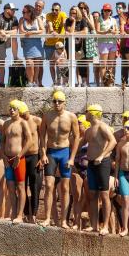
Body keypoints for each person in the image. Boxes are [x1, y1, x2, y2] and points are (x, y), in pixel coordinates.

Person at [39, 90, 80, 229]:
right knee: (49, 186)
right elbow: (42, 137)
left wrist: (72, 158)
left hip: (64, 152)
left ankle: (63, 220)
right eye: (54, 101)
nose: (56, 104)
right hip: (50, 152)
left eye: (59, 101)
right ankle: (47, 218)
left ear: (64, 102)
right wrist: (43, 154)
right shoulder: (47, 116)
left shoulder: (71, 117)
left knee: (64, 188)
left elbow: (76, 138)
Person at [83, 104, 117, 234]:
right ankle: (94, 225)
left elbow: (113, 141)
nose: (85, 114)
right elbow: (80, 142)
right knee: (93, 195)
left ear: (92, 113)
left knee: (104, 195)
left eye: (86, 112)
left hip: (102, 163)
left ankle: (106, 226)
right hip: (91, 164)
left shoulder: (102, 126)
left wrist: (102, 155)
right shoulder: (89, 130)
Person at [0, 100, 31, 223]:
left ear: (19, 110)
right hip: (7, 159)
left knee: (21, 186)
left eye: (14, 108)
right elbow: (2, 142)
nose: (11, 110)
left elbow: (29, 141)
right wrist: (3, 157)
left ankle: (19, 215)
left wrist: (20, 155)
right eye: (10, 108)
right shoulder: (6, 124)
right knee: (10, 187)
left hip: (19, 159)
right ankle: (13, 213)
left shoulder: (23, 123)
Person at [18, 102, 42, 223]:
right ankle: (26, 213)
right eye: (21, 114)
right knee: (22, 185)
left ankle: (34, 214)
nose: (23, 116)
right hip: (22, 156)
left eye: (24, 114)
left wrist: (42, 156)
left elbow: (43, 139)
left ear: (28, 111)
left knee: (35, 185)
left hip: (34, 155)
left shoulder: (37, 121)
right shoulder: (19, 122)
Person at [0, 3, 20, 86]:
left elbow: (15, 31)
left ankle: (15, 57)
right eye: (13, 10)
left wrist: (5, 33)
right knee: (1, 63)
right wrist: (0, 32)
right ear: (7, 10)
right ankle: (1, 83)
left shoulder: (14, 19)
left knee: (14, 37)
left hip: (8, 39)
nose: (14, 12)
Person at [19, 4, 44, 87]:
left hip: (37, 44)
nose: (23, 14)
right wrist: (27, 33)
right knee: (29, 63)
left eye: (24, 12)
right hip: (27, 45)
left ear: (30, 12)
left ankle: (34, 81)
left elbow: (42, 30)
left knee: (37, 64)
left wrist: (32, 32)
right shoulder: (22, 20)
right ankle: (30, 81)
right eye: (22, 12)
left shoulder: (37, 19)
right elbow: (21, 31)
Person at [96, 3, 119, 85]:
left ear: (111, 11)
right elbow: (97, 31)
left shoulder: (113, 20)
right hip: (103, 42)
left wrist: (113, 32)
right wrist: (107, 32)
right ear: (103, 11)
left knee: (111, 64)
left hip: (112, 42)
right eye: (105, 10)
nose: (107, 12)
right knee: (103, 65)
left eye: (109, 10)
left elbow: (117, 31)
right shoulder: (99, 19)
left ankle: (109, 82)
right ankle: (103, 82)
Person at [45, 3, 67, 84]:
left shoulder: (63, 14)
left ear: (60, 10)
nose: (54, 11)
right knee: (52, 63)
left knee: (61, 62)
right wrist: (52, 31)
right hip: (49, 43)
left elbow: (64, 25)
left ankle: (63, 81)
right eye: (53, 9)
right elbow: (50, 25)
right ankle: (55, 82)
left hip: (59, 43)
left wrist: (59, 34)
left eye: (56, 10)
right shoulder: (48, 15)